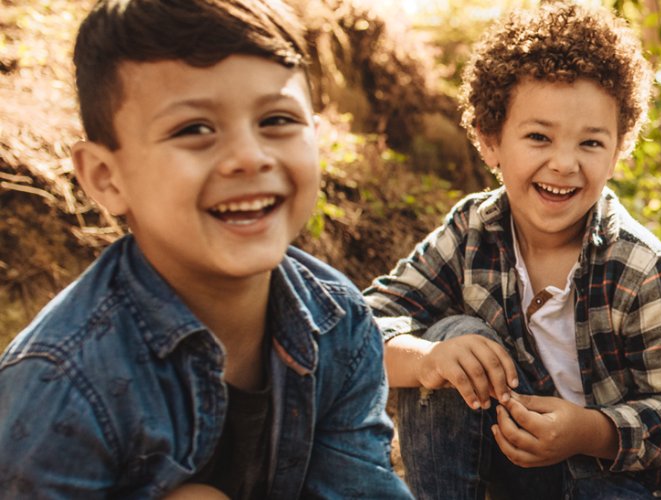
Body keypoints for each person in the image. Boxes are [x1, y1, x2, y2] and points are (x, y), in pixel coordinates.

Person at [0, 0, 411, 498]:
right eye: (194, 129)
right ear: (107, 178)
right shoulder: (62, 382)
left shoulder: (337, 318)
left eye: (277, 120)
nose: (249, 157)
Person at [362, 3, 661, 498]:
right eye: (539, 136)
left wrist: (588, 431)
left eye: (590, 143)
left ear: (619, 149)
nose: (563, 163)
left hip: (638, 485)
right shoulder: (474, 231)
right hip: (527, 477)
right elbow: (358, 329)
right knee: (456, 340)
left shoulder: (644, 269)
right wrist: (427, 358)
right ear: (490, 140)